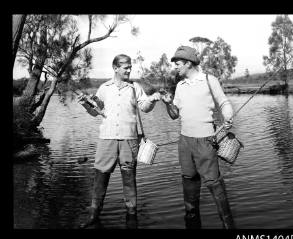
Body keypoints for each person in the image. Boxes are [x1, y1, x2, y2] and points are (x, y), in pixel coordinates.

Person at [79, 54, 161, 228]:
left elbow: (145, 108)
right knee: (100, 175)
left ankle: (131, 216)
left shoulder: (135, 87)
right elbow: (95, 112)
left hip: (129, 139)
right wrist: (86, 104)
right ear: (115, 68)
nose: (129, 70)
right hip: (106, 139)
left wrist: (152, 99)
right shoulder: (104, 88)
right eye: (125, 67)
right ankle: (94, 214)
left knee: (129, 177)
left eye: (130, 67)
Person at [162, 46, 235, 229]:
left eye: (178, 64)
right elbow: (174, 115)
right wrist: (168, 103)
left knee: (213, 182)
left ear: (188, 63)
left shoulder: (210, 80)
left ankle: (228, 223)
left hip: (206, 141)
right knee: (188, 179)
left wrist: (228, 117)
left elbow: (224, 102)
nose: (176, 67)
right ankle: (192, 220)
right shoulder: (180, 86)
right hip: (184, 141)